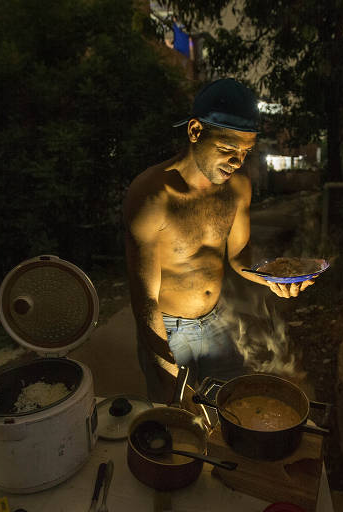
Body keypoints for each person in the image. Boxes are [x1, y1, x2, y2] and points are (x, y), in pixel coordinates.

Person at [123, 78, 314, 402]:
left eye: (245, 151)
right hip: (167, 329)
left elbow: (239, 258)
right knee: (177, 421)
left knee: (231, 406)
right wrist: (165, 368)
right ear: (196, 131)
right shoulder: (151, 197)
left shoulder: (238, 188)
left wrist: (272, 278)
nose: (238, 161)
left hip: (217, 320)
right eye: (228, 149)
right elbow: (145, 300)